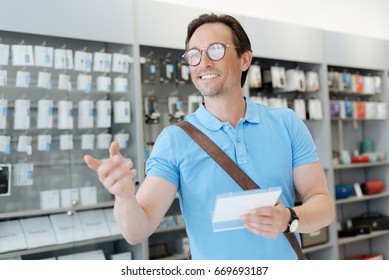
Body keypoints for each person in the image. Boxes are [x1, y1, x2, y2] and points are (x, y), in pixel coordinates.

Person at [84, 13, 335, 260]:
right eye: (194, 54)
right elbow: (136, 231)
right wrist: (125, 197)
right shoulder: (174, 140)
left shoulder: (286, 123)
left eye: (215, 50)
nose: (203, 63)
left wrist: (289, 219)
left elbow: (323, 206)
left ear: (244, 59)